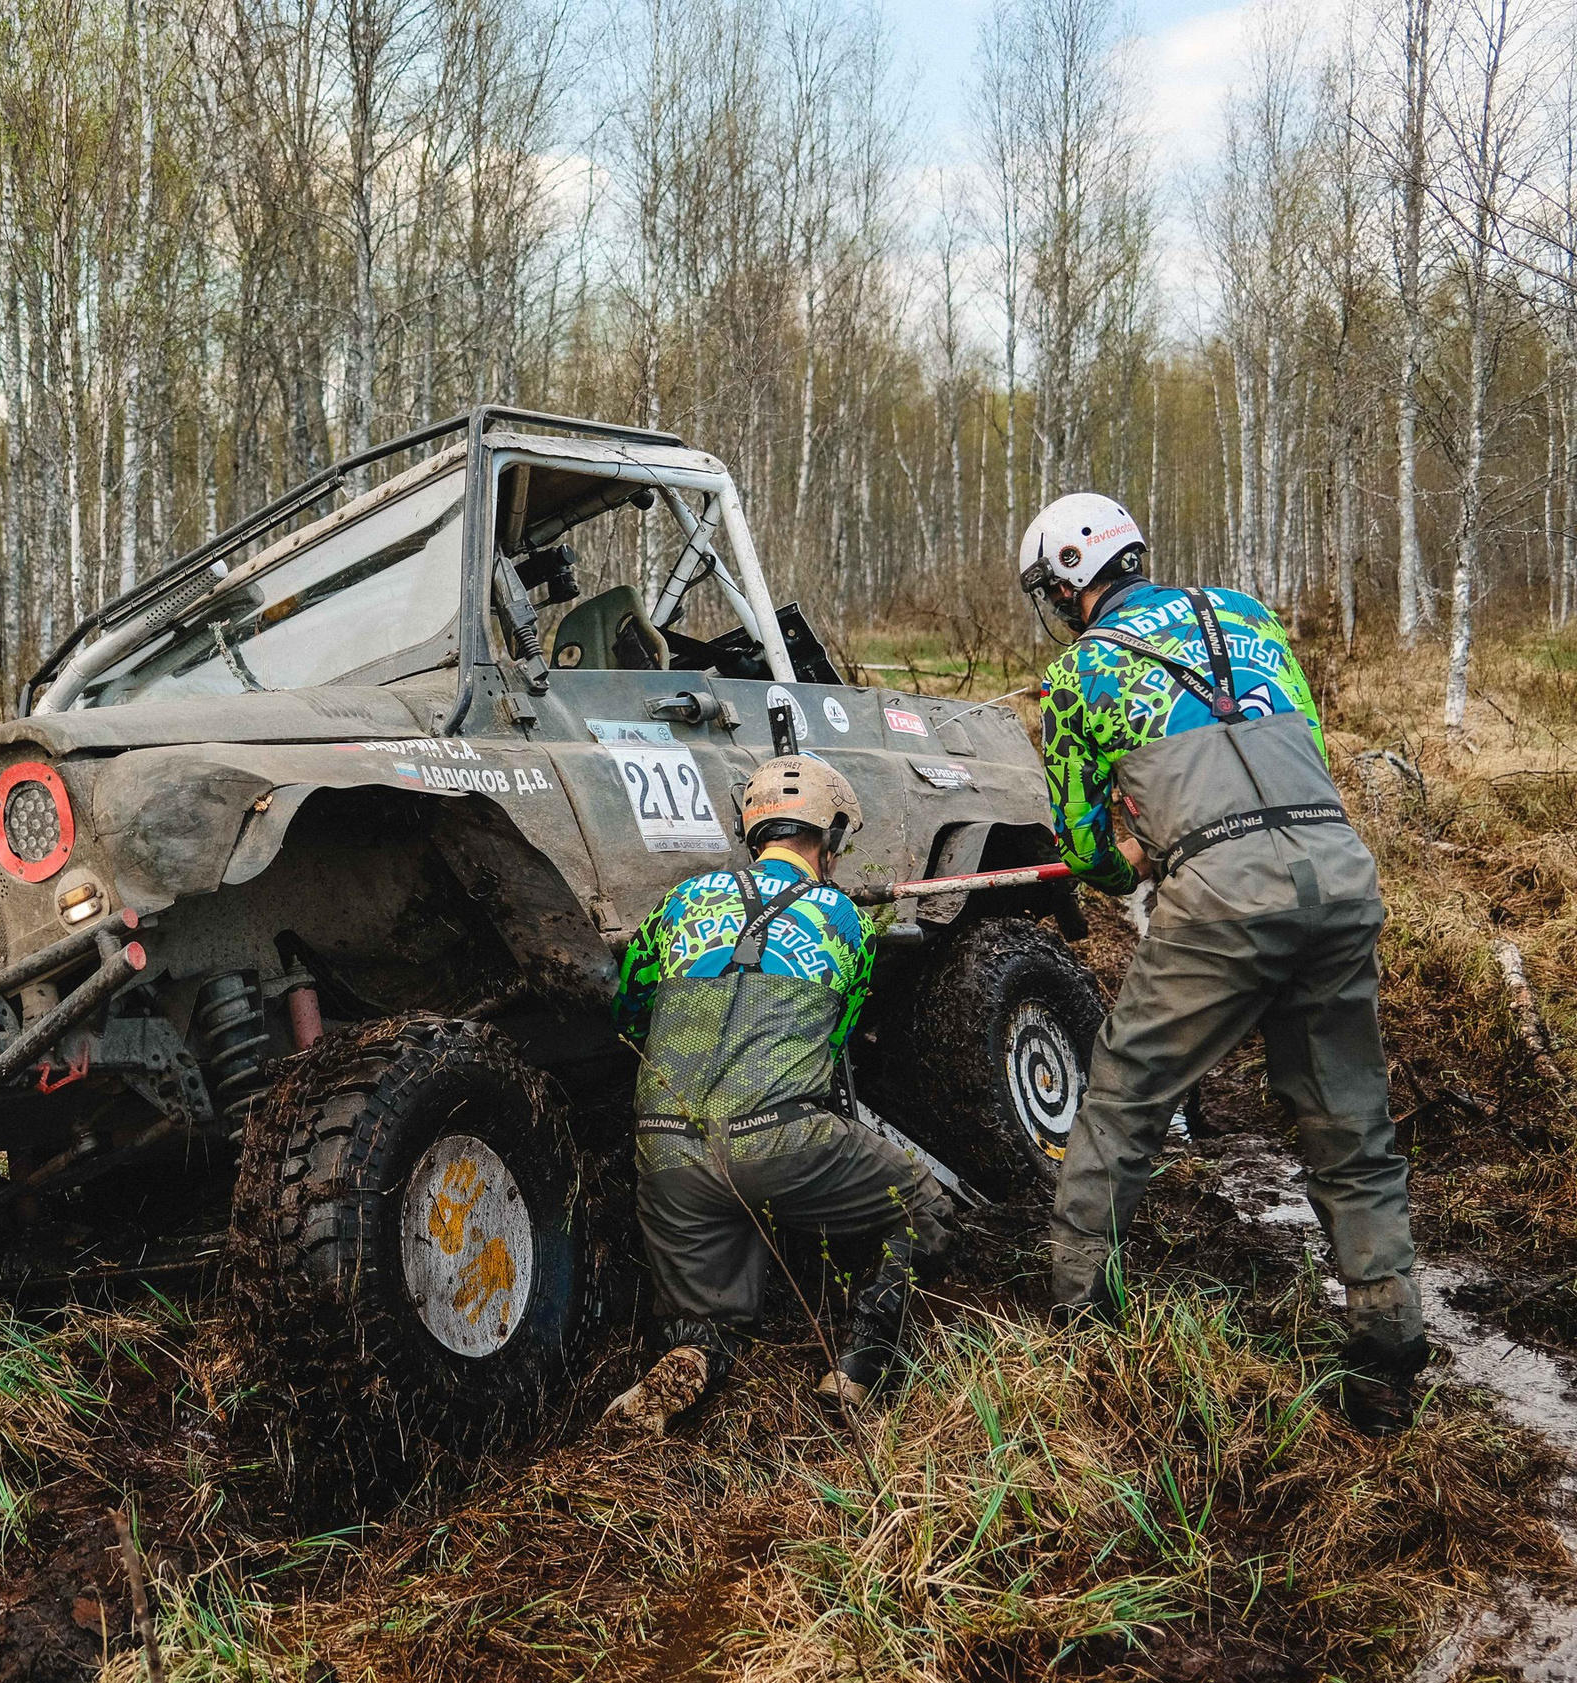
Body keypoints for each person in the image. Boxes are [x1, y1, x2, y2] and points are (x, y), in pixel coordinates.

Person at [1018, 492, 1424, 1434]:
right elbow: (1310, 752)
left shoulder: (1079, 672)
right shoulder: (1247, 613)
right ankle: (1389, 1354)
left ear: (1072, 576)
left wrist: (1135, 856)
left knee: (1122, 1095)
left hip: (1224, 897)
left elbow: (1082, 844)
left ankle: (1079, 1334)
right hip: (1338, 874)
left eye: (1052, 586)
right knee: (1350, 1123)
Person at [601, 754, 953, 1435]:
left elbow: (630, 1012)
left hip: (666, 1149)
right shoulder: (846, 918)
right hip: (776, 1138)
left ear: (749, 829)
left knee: (709, 1315)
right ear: (832, 837)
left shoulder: (681, 900)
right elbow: (838, 1041)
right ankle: (859, 1368)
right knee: (922, 1206)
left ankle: (690, 1352)